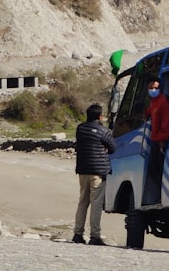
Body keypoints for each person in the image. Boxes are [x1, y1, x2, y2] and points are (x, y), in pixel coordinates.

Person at [72, 103, 115, 246]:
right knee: (96, 204)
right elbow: (113, 148)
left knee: (83, 202)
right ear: (100, 116)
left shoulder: (80, 128)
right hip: (98, 172)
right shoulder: (104, 131)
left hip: (83, 170)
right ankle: (95, 236)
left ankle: (78, 234)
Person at [143, 76, 169, 205]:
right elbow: (150, 112)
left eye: (156, 88)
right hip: (154, 140)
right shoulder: (153, 102)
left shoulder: (162, 102)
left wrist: (162, 140)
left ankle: (162, 196)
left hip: (159, 142)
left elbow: (166, 123)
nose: (154, 90)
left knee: (158, 170)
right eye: (151, 88)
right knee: (152, 169)